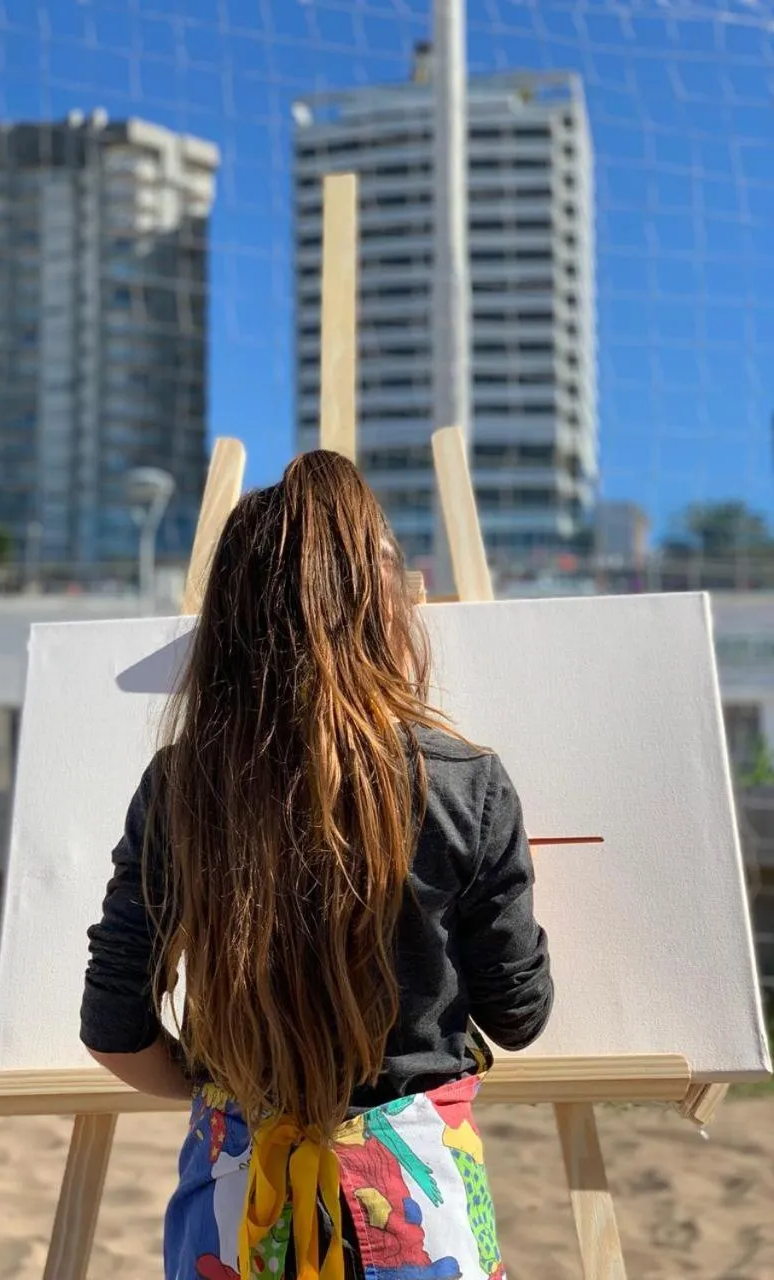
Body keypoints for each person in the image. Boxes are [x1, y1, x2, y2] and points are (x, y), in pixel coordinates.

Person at [80, 450, 553, 1280]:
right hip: (414, 1209)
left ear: (231, 621)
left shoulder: (181, 786)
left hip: (233, 1205)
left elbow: (112, 1025)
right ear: (385, 611)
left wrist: (211, 1088)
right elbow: (519, 1015)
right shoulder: (466, 785)